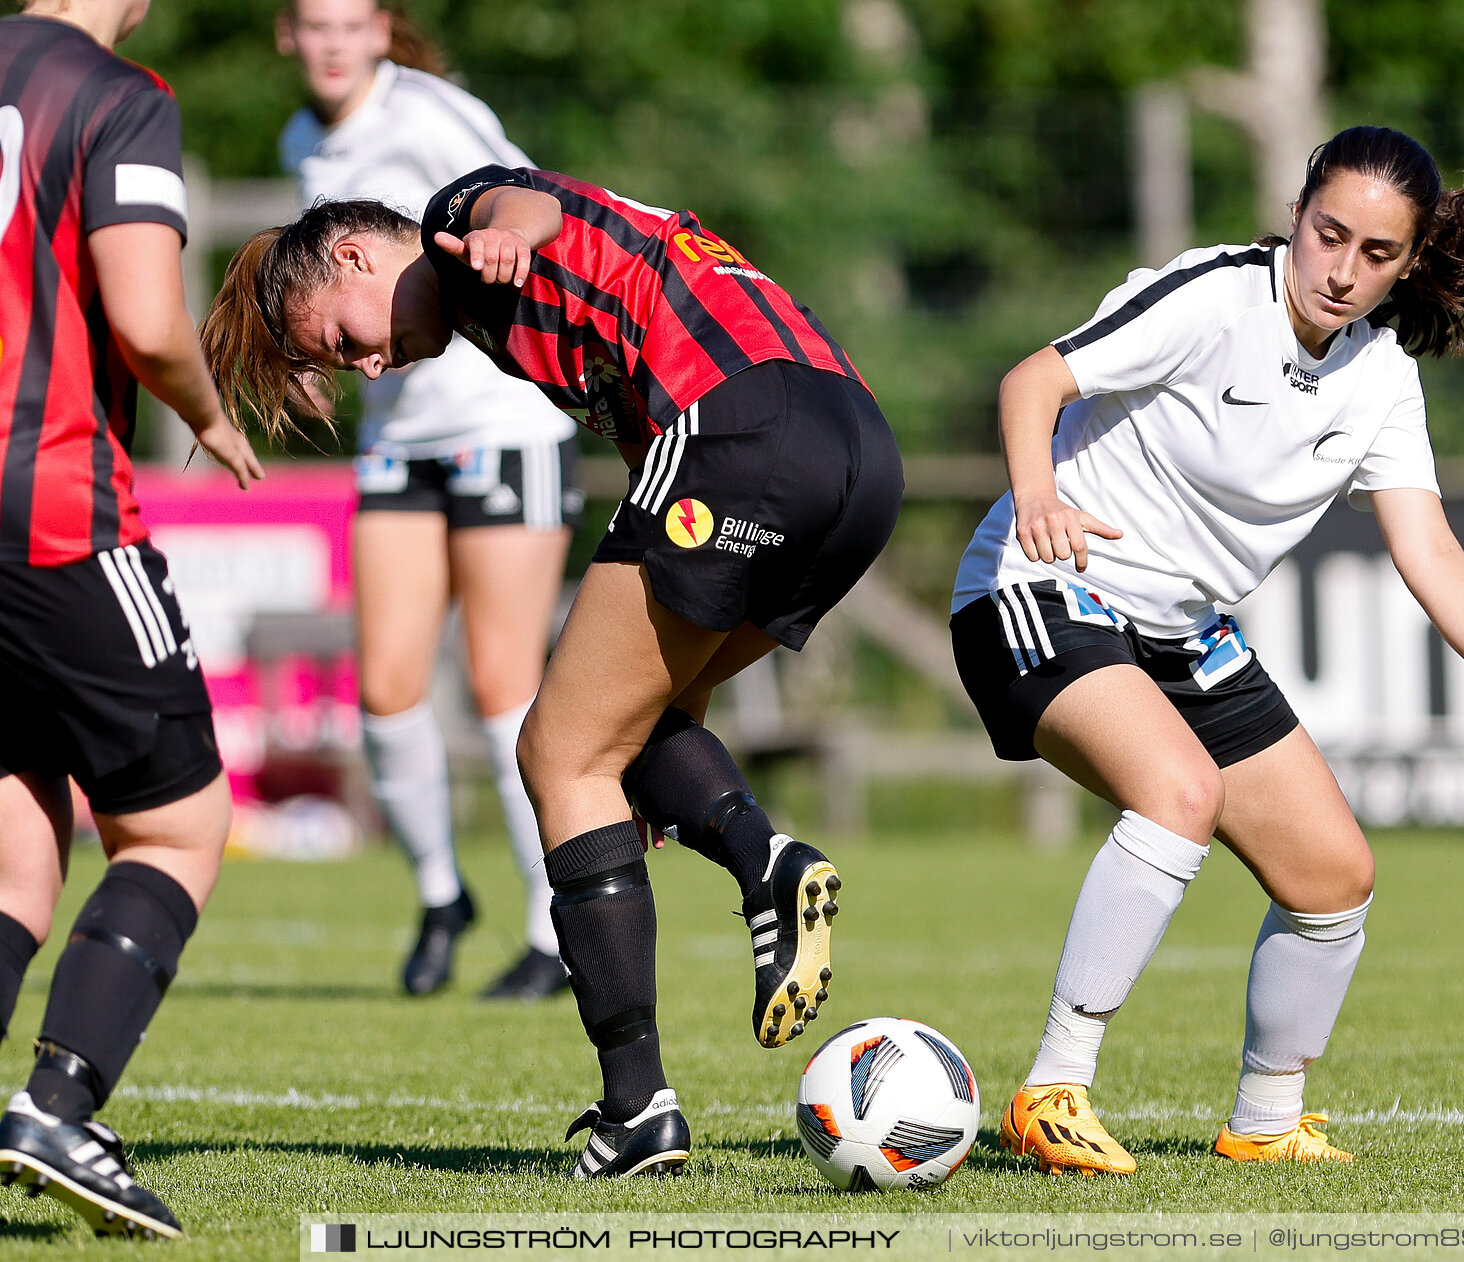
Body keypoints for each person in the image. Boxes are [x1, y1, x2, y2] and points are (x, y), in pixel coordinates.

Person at [201, 164, 901, 1177]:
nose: (371, 370)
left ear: (357, 255)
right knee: (625, 735)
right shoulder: (505, 333)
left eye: (348, 341)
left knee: (555, 751)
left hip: (737, 424)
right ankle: (765, 867)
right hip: (858, 456)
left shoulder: (455, 230)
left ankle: (641, 1102)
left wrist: (506, 238)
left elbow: (522, 207)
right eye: (347, 367)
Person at [950, 126, 1464, 1176]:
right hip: (1043, 585)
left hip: (1180, 630)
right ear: (1296, 212)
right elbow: (1033, 380)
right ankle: (1053, 1088)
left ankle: (1266, 1118)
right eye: (1329, 234)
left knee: (1334, 873)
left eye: (1377, 254)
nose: (1343, 270)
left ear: (1410, 260)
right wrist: (1036, 492)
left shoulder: (1380, 377)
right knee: (1177, 790)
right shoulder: (1212, 298)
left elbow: (1425, 546)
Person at [0, 0, 264, 1238]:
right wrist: (210, 413)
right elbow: (151, 320)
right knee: (175, 827)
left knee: (14, 840)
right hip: (52, 506)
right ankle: (58, 1107)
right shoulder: (115, 94)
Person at [277, 0, 583, 1000]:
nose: (330, 42)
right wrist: (319, 353)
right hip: (396, 438)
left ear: (381, 32)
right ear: (288, 37)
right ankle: (442, 893)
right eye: (311, 25)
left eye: (349, 23)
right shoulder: (303, 143)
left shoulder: (432, 114)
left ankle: (552, 923)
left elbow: (524, 195)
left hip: (498, 419)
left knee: (504, 685)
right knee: (387, 686)